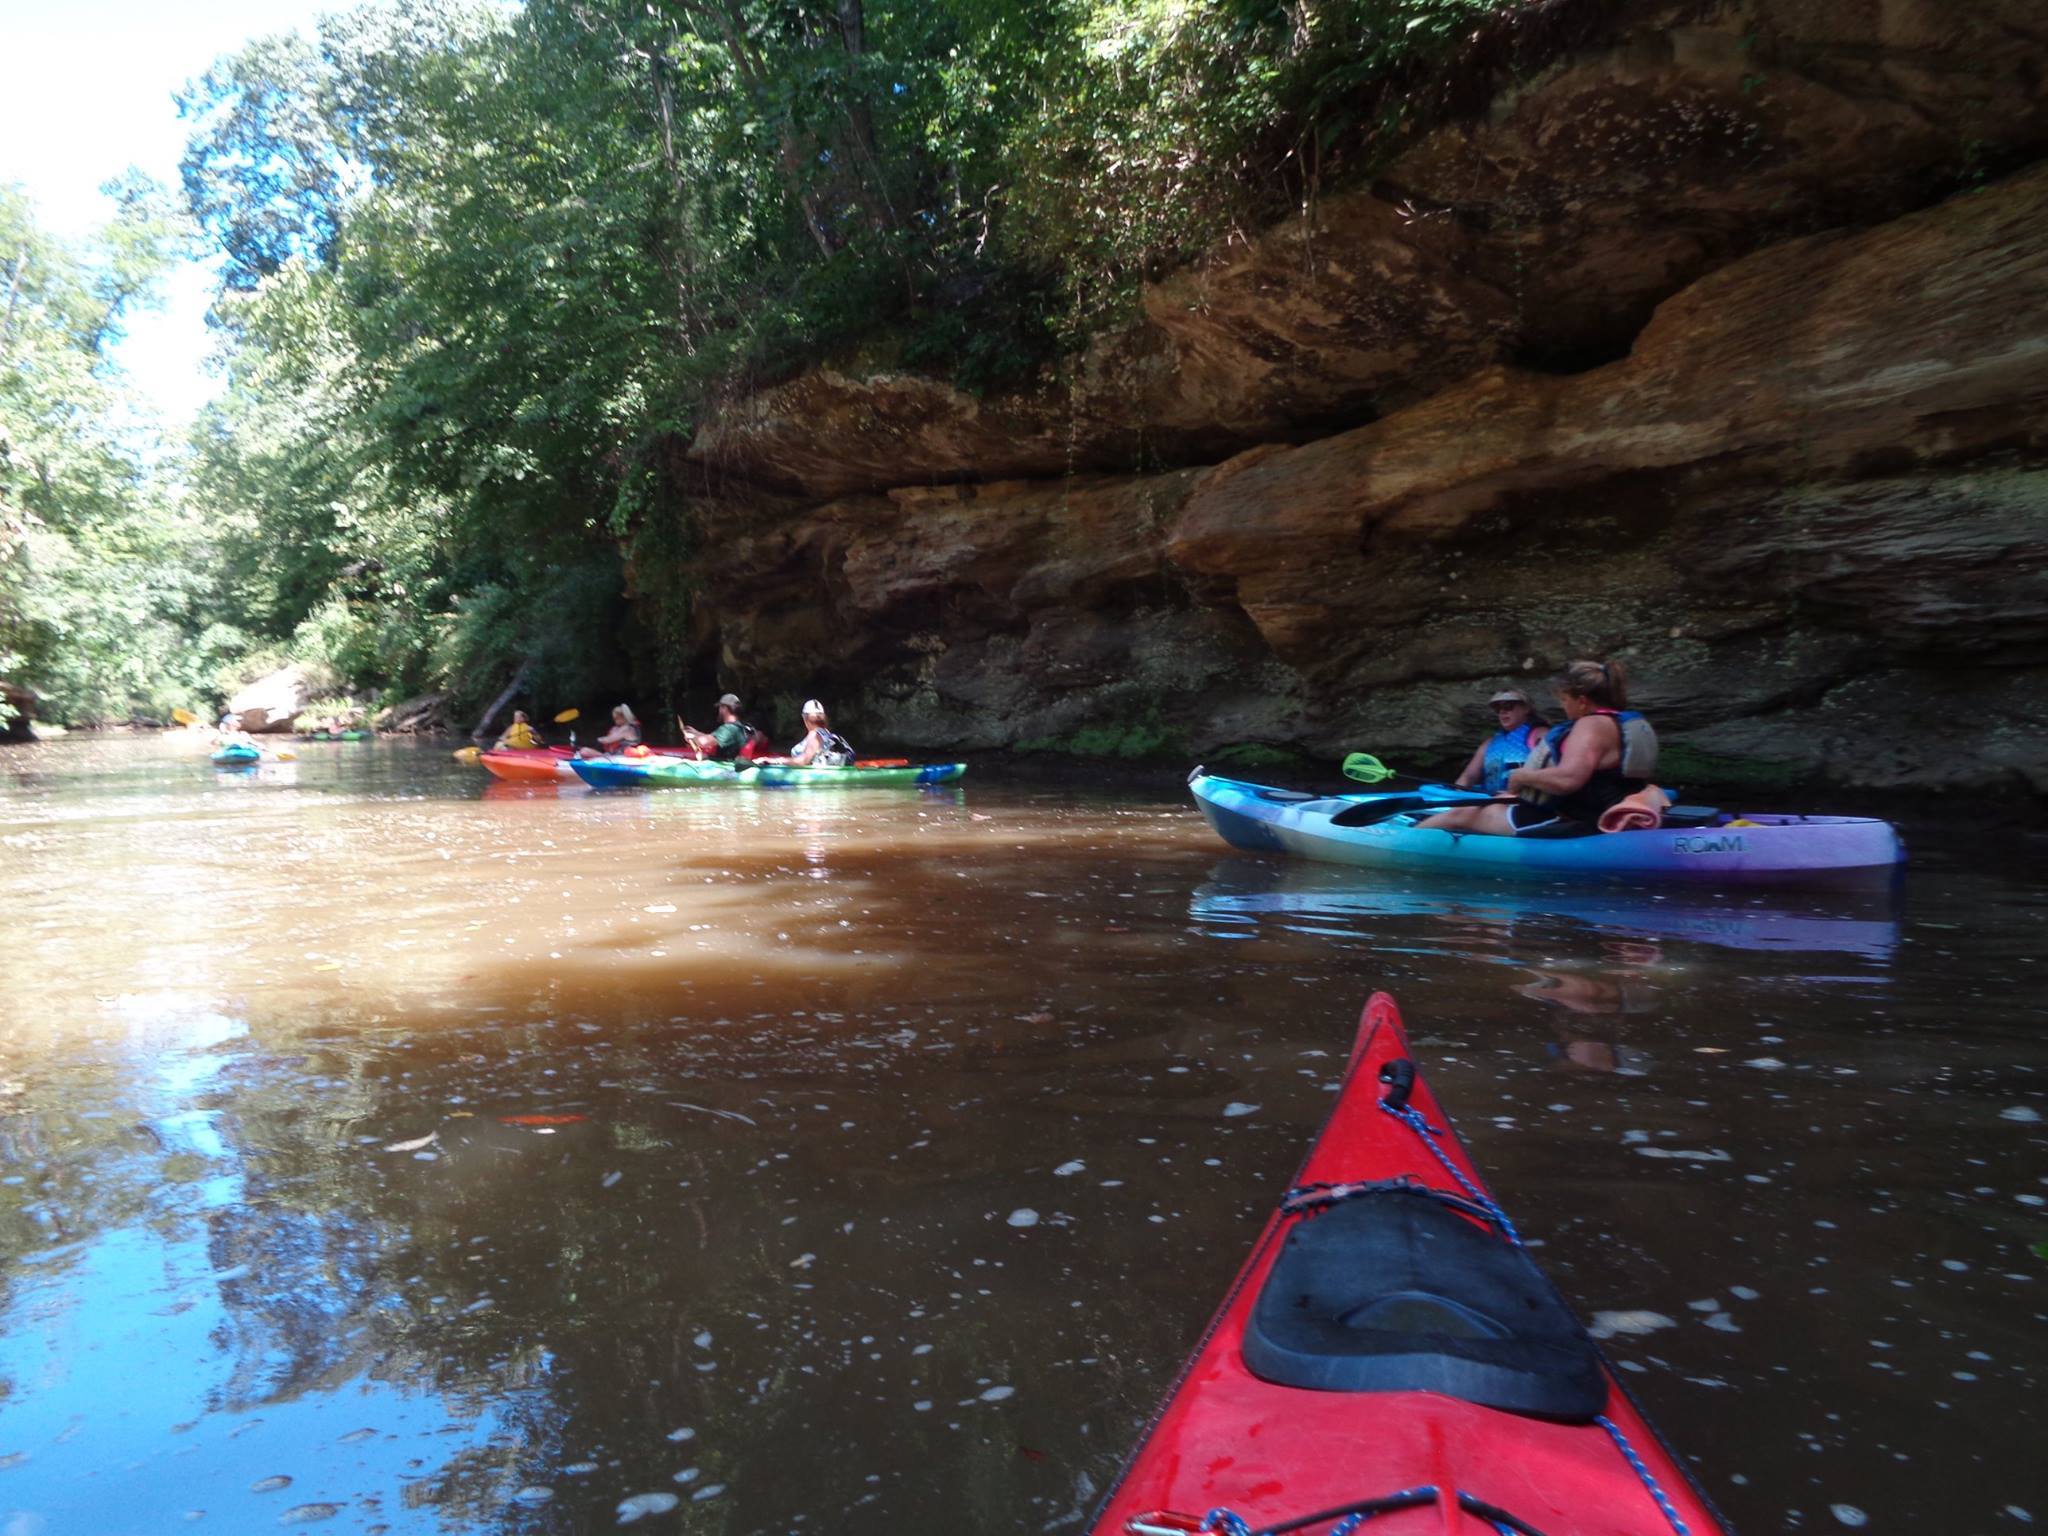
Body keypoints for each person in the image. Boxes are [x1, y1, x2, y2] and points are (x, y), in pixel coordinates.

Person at [1418, 659, 1658, 837]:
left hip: (1570, 819)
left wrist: (1521, 776)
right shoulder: (1623, 722)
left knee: (1461, 815)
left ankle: (1400, 841)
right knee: (1483, 809)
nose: (1564, 708)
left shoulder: (1590, 725)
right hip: (1600, 810)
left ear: (1582, 701)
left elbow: (1568, 779)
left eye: (1565, 700)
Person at [1452, 688, 1546, 793]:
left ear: (1526, 708)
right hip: (1491, 800)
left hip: (1524, 802)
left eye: (1508, 706)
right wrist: (1456, 794)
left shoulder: (1541, 735)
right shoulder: (1489, 744)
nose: (1502, 711)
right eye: (1498, 708)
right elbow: (1468, 776)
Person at [681, 693, 762, 762]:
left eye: (720, 707)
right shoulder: (740, 727)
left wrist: (691, 737)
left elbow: (704, 742)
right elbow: (713, 739)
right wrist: (696, 733)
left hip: (726, 769)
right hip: (733, 764)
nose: (719, 710)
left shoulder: (729, 729)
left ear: (725, 708)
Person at [788, 700, 855, 766]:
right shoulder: (828, 735)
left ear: (805, 718)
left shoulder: (814, 735)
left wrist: (781, 760)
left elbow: (803, 760)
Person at [575, 705, 641, 759]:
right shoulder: (632, 727)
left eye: (616, 718)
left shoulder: (626, 728)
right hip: (617, 754)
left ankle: (605, 758)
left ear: (623, 717)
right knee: (585, 750)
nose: (615, 721)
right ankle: (604, 757)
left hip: (620, 757)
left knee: (584, 751)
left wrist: (585, 741)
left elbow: (607, 740)